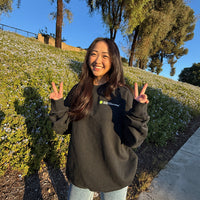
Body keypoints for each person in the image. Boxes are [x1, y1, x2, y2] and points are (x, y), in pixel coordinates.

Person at [49, 37, 150, 200]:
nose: (97, 60)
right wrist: (58, 105)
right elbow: (62, 128)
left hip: (115, 174)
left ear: (114, 60)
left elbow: (134, 140)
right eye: (94, 54)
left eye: (105, 56)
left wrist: (139, 110)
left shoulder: (122, 94)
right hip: (82, 173)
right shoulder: (78, 91)